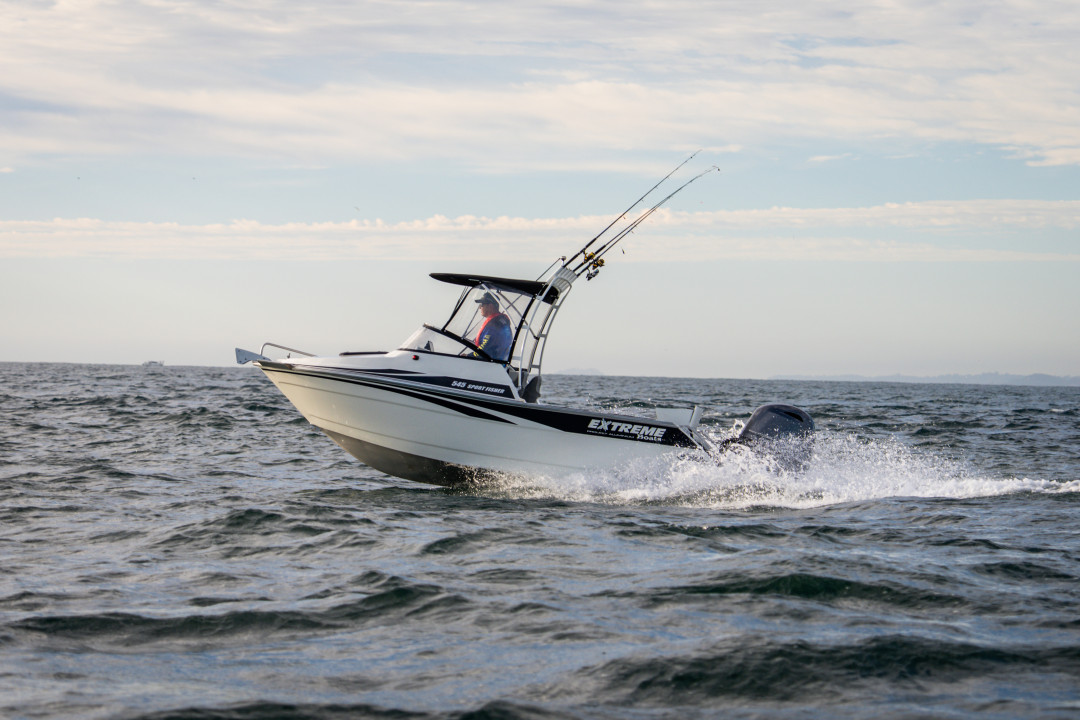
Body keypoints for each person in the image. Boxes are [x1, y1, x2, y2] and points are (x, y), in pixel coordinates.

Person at [473, 291, 513, 361]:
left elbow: (487, 347)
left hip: (488, 364)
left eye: (482, 304)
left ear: (490, 306)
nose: (480, 307)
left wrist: (470, 356)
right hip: (495, 362)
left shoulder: (495, 323)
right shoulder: (500, 321)